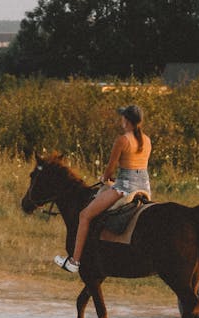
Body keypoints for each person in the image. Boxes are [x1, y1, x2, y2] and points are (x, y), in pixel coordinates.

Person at [54, 104, 151, 273]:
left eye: (122, 117)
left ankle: (74, 261)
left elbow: (110, 170)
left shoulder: (122, 140)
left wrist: (105, 178)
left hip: (125, 188)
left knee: (84, 215)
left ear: (126, 120)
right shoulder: (147, 140)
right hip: (144, 187)